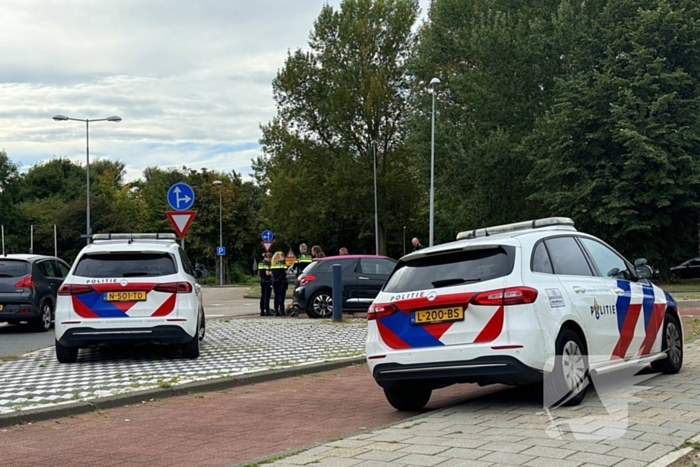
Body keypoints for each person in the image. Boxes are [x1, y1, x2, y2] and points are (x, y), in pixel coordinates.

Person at [270, 251, 288, 317]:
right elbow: (286, 272)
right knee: (281, 296)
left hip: (274, 282)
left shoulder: (273, 265)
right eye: (283, 256)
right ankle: (282, 310)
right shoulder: (282, 264)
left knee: (276, 296)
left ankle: (276, 310)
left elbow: (272, 274)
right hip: (281, 282)